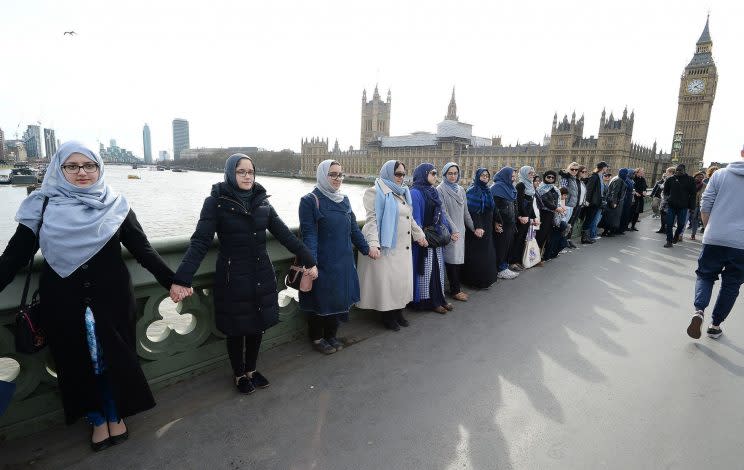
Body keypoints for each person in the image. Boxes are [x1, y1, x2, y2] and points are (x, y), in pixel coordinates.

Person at [0, 142, 177, 451]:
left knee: (113, 361)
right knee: (74, 363)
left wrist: (172, 281)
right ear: (59, 169)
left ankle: (113, 412)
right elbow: (13, 257)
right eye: (72, 166)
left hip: (112, 301)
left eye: (89, 165)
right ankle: (96, 418)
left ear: (99, 168)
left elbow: (142, 249)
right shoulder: (41, 206)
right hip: (63, 303)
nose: (81, 172)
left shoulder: (116, 204)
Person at [171, 154, 317, 394]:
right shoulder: (216, 202)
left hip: (261, 273)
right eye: (241, 171)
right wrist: (181, 279)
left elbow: (285, 235)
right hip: (232, 277)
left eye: (250, 171)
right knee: (237, 328)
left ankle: (252, 369)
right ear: (230, 173)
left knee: (257, 325)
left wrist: (310, 260)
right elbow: (200, 242)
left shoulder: (262, 202)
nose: (247, 176)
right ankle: (239, 374)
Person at [298, 160, 370, 355]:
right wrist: (311, 262)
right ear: (323, 175)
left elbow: (354, 228)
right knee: (320, 301)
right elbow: (309, 234)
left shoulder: (344, 200)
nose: (338, 178)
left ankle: (331, 335)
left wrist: (366, 249)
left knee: (339, 299)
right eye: (333, 174)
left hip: (344, 261)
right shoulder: (310, 200)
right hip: (323, 261)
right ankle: (317, 337)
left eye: (340, 174)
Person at [356, 160, 427, 331]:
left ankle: (398, 312)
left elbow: (409, 219)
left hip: (403, 247)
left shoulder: (403, 192)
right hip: (386, 246)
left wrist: (420, 235)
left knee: (400, 282)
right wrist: (373, 243)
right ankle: (387, 316)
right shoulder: (374, 192)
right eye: (398, 174)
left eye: (403, 174)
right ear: (388, 173)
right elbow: (371, 220)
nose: (401, 177)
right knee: (388, 284)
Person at [686, 145, 744, 340]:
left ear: (741, 153)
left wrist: (710, 228)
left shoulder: (719, 175)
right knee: (731, 285)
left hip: (715, 237)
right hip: (742, 244)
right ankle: (715, 325)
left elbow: (705, 203)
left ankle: (699, 311)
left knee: (705, 275)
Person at [409, 163, 455, 314]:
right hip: (424, 238)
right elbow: (414, 218)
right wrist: (420, 237)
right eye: (433, 173)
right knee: (427, 270)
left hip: (436, 237)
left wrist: (449, 230)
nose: (436, 176)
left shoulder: (433, 191)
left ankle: (439, 298)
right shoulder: (415, 192)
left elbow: (441, 214)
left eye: (436, 173)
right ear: (424, 174)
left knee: (437, 269)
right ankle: (427, 301)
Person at [437, 162, 475, 301]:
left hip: (461, 230)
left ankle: (455, 288)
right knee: (452, 261)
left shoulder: (461, 189)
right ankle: (455, 291)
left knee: (457, 260)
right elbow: (443, 213)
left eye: (455, 173)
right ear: (445, 174)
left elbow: (466, 212)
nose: (453, 176)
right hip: (450, 231)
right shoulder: (440, 189)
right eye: (450, 173)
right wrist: (453, 230)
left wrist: (473, 228)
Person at [462, 168, 499, 288]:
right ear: (477, 176)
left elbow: (492, 209)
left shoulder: (488, 190)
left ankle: (486, 280)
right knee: (476, 254)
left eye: (487, 175)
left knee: (487, 253)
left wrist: (497, 222)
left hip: (487, 225)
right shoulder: (472, 190)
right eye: (482, 175)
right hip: (477, 226)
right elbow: (472, 211)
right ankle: (474, 281)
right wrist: (477, 227)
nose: (485, 177)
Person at [490, 167, 519, 279]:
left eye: (514, 176)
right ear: (505, 175)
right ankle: (500, 269)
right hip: (502, 223)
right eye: (512, 176)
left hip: (510, 222)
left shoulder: (510, 188)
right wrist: (496, 222)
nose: (514, 178)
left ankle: (504, 266)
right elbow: (494, 208)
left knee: (507, 246)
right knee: (501, 246)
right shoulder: (497, 188)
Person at [509, 166, 539, 270]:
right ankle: (512, 261)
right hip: (522, 217)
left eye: (533, 173)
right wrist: (524, 216)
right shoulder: (521, 185)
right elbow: (519, 202)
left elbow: (530, 203)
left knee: (522, 239)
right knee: (517, 239)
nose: (532, 175)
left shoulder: (530, 185)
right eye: (530, 173)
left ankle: (518, 260)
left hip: (527, 217)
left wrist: (534, 217)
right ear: (525, 173)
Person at [662, 163, 696, 248]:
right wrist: (668, 198)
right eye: (676, 170)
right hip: (671, 205)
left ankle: (676, 235)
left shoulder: (690, 180)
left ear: (684, 171)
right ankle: (669, 241)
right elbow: (665, 191)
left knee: (681, 224)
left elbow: (693, 195)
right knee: (669, 224)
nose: (678, 172)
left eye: (680, 171)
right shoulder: (670, 179)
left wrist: (692, 207)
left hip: (683, 206)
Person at [535, 170, 564, 257]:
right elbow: (543, 201)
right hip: (543, 213)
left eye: (552, 177)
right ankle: (535, 255)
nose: (550, 179)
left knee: (547, 235)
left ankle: (542, 254)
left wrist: (560, 208)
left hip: (552, 214)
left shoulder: (555, 189)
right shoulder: (540, 188)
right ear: (544, 177)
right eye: (548, 177)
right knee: (540, 235)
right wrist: (555, 208)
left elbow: (558, 200)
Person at [582, 161, 609, 244]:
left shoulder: (600, 176)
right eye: (606, 167)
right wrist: (587, 201)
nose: (607, 169)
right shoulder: (595, 176)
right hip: (592, 202)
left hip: (597, 202)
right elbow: (589, 189)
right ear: (603, 168)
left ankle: (587, 237)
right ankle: (584, 238)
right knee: (588, 219)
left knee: (591, 219)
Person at [545, 187, 572, 260]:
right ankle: (549, 254)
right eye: (564, 195)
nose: (565, 197)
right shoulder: (557, 200)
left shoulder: (562, 201)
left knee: (559, 240)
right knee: (555, 239)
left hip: (560, 222)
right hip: (556, 223)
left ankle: (553, 253)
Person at [559, 162, 581, 248]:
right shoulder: (566, 178)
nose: (574, 171)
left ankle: (564, 242)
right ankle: (560, 243)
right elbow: (562, 191)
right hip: (566, 205)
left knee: (568, 225)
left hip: (572, 205)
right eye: (572, 169)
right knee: (563, 225)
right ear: (569, 169)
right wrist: (563, 206)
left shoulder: (574, 178)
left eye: (576, 169)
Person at [602, 168, 629, 236]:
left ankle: (608, 231)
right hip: (614, 202)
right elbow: (615, 192)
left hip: (615, 201)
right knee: (612, 217)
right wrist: (614, 202)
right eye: (626, 174)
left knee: (611, 217)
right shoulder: (618, 180)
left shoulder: (617, 178)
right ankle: (608, 231)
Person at [591, 171, 611, 240]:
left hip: (603, 205)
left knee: (598, 220)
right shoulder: (601, 185)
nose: (607, 177)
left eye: (608, 176)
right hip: (600, 204)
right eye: (606, 176)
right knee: (596, 220)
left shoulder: (606, 185)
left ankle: (594, 234)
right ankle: (592, 235)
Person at [655, 167, 676, 234]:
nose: (666, 173)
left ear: (670, 172)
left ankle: (663, 229)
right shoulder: (675, 179)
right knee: (667, 214)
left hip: (665, 199)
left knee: (663, 213)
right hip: (671, 199)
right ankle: (665, 229)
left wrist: (660, 184)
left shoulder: (668, 179)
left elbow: (662, 187)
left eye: (667, 172)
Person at [688, 171, 706, 241]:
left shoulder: (705, 185)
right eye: (698, 177)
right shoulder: (690, 183)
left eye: (702, 177)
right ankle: (680, 234)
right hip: (689, 204)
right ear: (695, 177)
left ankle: (693, 235)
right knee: (685, 219)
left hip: (697, 205)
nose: (700, 178)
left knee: (695, 220)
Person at [618, 168, 636, 233]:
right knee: (623, 215)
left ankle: (623, 228)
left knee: (626, 215)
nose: (634, 175)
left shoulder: (631, 180)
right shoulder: (626, 180)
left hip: (629, 199)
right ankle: (620, 229)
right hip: (625, 199)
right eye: (633, 174)